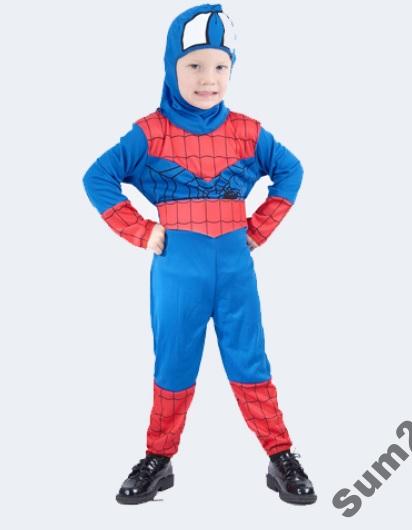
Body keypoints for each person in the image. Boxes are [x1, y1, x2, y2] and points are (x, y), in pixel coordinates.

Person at [83, 3, 316, 506]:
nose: (208, 79)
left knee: (251, 361)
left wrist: (258, 229)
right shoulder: (150, 133)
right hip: (177, 269)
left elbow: (291, 171)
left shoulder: (248, 132)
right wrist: (140, 230)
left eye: (220, 67)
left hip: (235, 268)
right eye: (193, 65)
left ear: (232, 70)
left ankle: (280, 454)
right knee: (173, 363)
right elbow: (97, 177)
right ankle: (158, 457)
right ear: (172, 66)